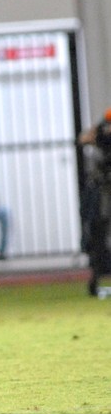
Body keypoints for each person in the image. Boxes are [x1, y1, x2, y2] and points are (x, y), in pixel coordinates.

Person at [78, 109, 111, 296]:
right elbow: (83, 139)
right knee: (98, 235)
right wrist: (98, 131)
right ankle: (96, 279)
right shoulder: (99, 138)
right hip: (102, 194)